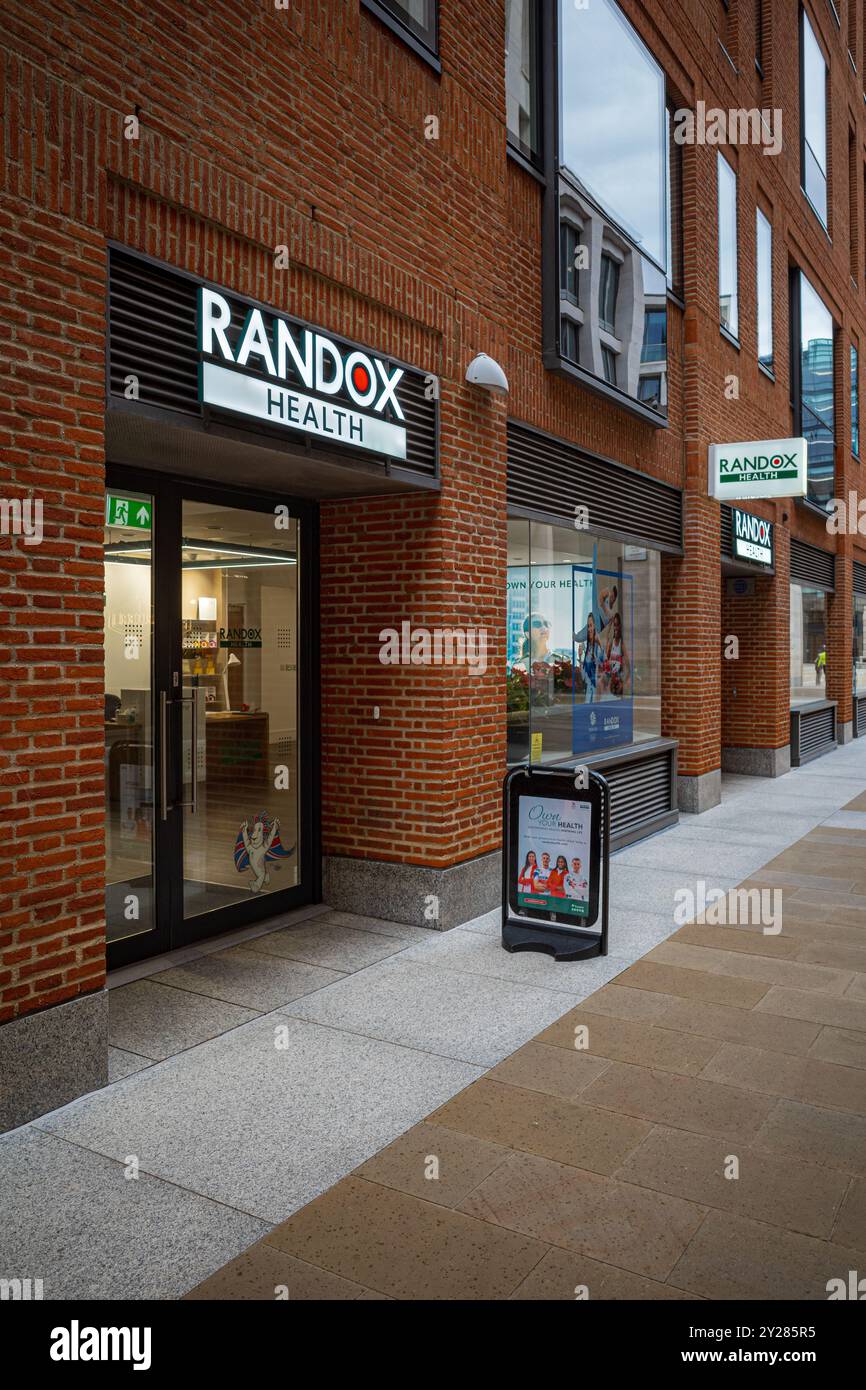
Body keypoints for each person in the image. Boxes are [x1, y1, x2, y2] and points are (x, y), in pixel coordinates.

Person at [603, 611, 630, 698]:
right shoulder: (611, 643)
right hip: (610, 676)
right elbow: (606, 660)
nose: (616, 627)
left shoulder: (622, 644)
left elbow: (628, 665)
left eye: (617, 625)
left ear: (620, 626)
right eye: (615, 625)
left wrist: (624, 681)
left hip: (618, 677)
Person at [580, 612, 604, 703]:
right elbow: (583, 676)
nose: (589, 629)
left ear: (595, 627)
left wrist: (600, 644)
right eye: (588, 626)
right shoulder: (588, 648)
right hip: (589, 690)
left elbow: (603, 665)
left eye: (591, 625)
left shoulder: (598, 646)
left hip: (596, 690)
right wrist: (580, 655)